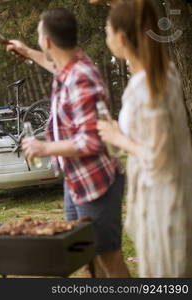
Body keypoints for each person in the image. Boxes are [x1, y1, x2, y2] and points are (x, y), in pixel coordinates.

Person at [7, 8, 130, 277]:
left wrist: (44, 147)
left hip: (96, 185)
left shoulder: (82, 77)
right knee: (85, 257)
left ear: (48, 41)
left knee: (108, 258)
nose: (39, 41)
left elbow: (91, 141)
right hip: (76, 181)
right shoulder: (70, 68)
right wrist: (27, 52)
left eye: (39, 36)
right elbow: (54, 65)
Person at [97, 0, 192, 277]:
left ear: (122, 38)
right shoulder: (164, 74)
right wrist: (121, 133)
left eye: (107, 30)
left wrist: (119, 137)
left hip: (164, 204)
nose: (105, 36)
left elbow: (158, 156)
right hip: (169, 197)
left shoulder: (148, 86)